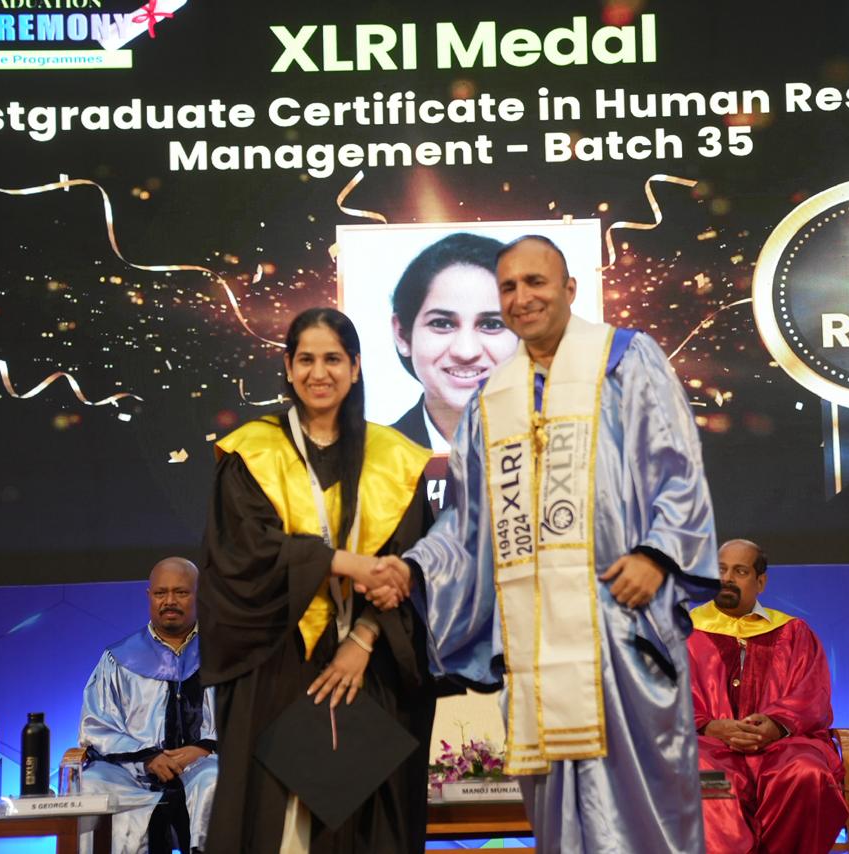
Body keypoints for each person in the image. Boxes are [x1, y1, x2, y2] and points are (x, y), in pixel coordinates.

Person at [393, 235, 720, 852]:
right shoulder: (492, 401)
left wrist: (658, 554)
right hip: (535, 646)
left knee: (647, 809)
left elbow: (678, 469)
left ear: (569, 288)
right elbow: (466, 526)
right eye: (509, 287)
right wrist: (413, 570)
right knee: (559, 817)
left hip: (623, 628)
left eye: (535, 282)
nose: (522, 297)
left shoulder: (626, 361)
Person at [198, 307, 435, 853]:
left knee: (365, 822)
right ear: (288, 366)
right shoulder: (251, 452)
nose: (319, 372)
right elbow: (243, 553)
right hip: (278, 660)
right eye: (306, 359)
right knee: (278, 823)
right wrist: (343, 563)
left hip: (368, 668)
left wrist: (363, 639)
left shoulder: (395, 459)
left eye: (333, 359)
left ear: (355, 367)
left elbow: (411, 566)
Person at [688, 539, 848, 854]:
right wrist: (710, 726)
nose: (727, 579)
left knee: (807, 773)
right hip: (706, 745)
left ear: (760, 581)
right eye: (720, 570)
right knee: (703, 777)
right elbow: (659, 697)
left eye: (740, 571)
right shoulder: (682, 631)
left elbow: (812, 694)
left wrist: (775, 725)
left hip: (781, 745)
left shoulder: (793, 632)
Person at [78, 557, 217, 854]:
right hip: (132, 772)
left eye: (181, 592)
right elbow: (97, 725)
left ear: (200, 594)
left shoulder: (223, 655)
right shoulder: (119, 658)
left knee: (214, 779)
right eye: (160, 593)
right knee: (91, 784)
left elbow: (243, 719)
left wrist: (205, 748)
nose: (170, 601)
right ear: (149, 596)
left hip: (202, 765)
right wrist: (148, 757)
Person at [390, 232, 518, 452]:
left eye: (491, 324)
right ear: (402, 334)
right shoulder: (370, 460)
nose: (466, 351)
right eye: (442, 323)